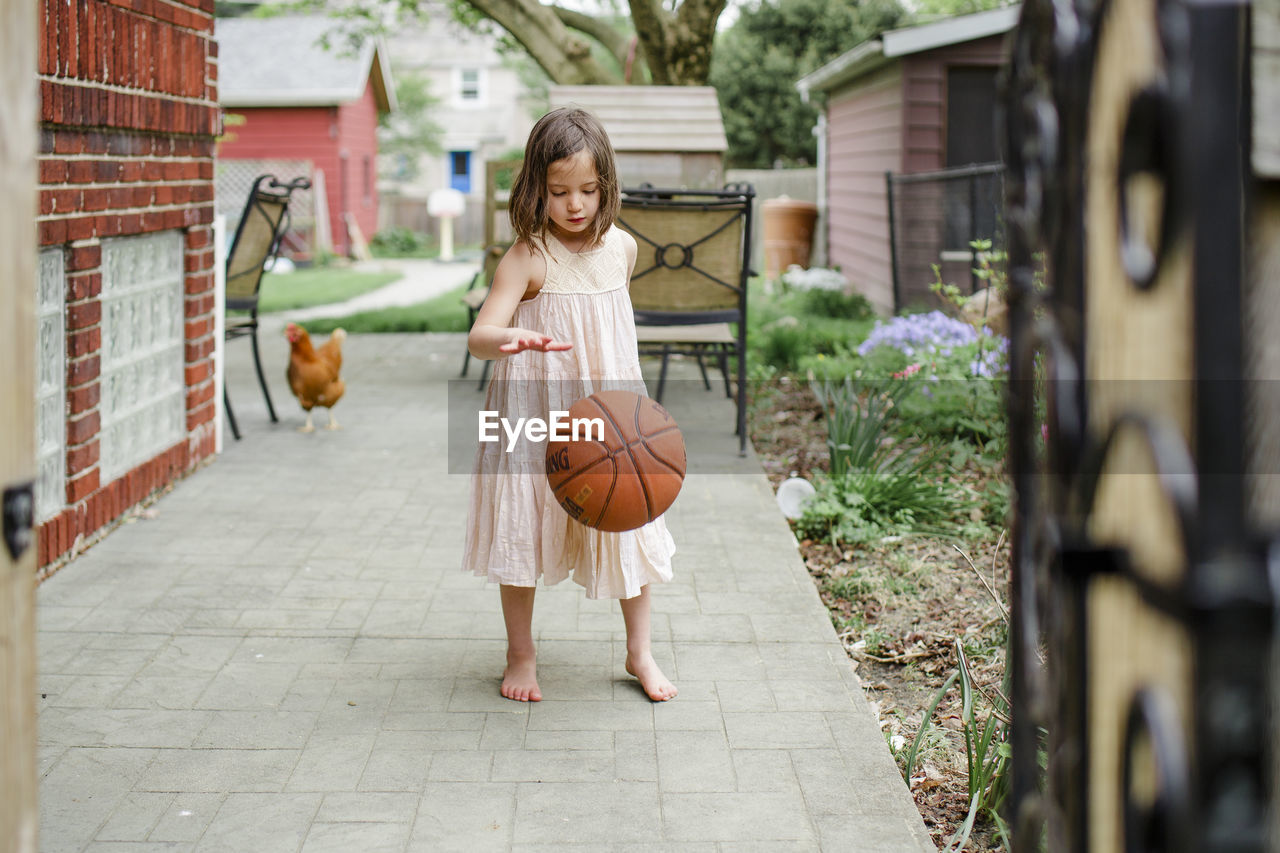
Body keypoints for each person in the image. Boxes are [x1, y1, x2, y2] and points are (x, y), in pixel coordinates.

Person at [462, 107, 678, 703]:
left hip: (607, 413)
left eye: (588, 190)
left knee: (629, 513)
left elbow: (610, 331)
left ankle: (640, 652)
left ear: (606, 186)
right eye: (559, 192)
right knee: (522, 523)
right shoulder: (527, 257)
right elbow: (480, 337)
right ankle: (521, 653)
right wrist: (512, 337)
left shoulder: (623, 250)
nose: (575, 205)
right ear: (536, 189)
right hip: (531, 411)